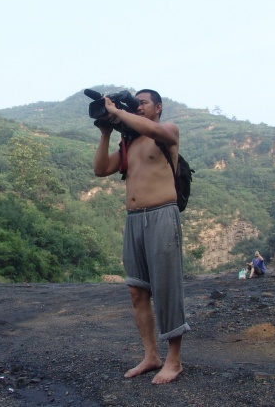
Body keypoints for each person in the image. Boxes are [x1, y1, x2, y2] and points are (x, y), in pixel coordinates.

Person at [93, 89, 190, 385]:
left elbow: (149, 127)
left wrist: (120, 113)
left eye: (142, 103)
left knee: (167, 288)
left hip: (162, 214)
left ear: (158, 107)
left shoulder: (166, 131)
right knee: (137, 291)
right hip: (134, 219)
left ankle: (174, 361)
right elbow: (100, 169)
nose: (138, 107)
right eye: (135, 103)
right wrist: (107, 132)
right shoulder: (129, 142)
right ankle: (151, 355)